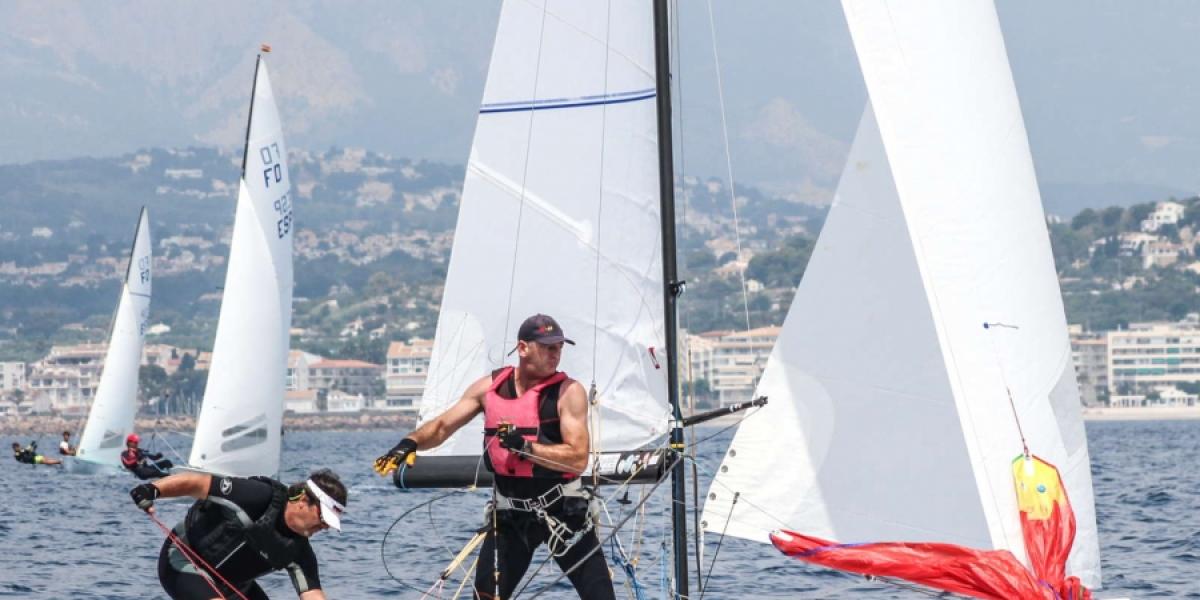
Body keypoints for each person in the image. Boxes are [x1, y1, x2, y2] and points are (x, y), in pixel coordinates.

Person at [374, 314, 614, 600]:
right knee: (486, 597)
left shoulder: (568, 392)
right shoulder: (488, 388)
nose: (556, 353)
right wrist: (409, 443)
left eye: (559, 347)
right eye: (548, 347)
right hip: (510, 516)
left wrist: (525, 448)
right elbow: (441, 427)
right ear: (523, 348)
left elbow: (577, 459)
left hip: (562, 512)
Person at [130, 468, 347, 600]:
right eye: (323, 518)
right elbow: (197, 483)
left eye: (329, 524)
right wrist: (153, 489)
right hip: (183, 562)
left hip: (231, 586)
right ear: (302, 502)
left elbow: (313, 594)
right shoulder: (258, 496)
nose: (325, 527)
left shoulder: (300, 552)